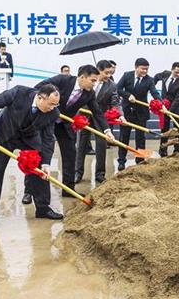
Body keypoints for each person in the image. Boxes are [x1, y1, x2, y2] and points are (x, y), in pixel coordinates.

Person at [21, 65, 115, 205]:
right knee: (37, 154)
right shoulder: (62, 80)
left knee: (70, 154)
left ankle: (68, 188)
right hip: (46, 121)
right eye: (92, 80)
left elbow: (97, 112)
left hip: (64, 125)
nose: (94, 84)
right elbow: (38, 89)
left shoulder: (89, 94)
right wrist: (47, 107)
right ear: (82, 77)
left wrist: (107, 130)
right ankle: (29, 191)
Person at [0, 84, 61, 232]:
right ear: (40, 98)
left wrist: (46, 163)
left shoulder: (53, 113)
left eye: (56, 105)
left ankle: (43, 208)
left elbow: (48, 138)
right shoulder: (19, 93)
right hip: (5, 133)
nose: (53, 108)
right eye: (51, 104)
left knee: (39, 169)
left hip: (28, 137)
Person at [75, 60, 121, 184]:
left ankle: (100, 174)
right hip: (84, 116)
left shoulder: (112, 85)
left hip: (100, 118)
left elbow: (115, 102)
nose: (108, 76)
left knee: (101, 145)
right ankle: (78, 173)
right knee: (81, 145)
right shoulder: (88, 82)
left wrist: (119, 114)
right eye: (106, 73)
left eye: (110, 73)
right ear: (98, 70)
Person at [116, 58, 161, 169]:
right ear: (136, 67)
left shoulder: (149, 80)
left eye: (146, 69)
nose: (145, 71)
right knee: (124, 137)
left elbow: (154, 92)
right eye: (142, 69)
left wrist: (161, 103)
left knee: (140, 138)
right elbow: (118, 89)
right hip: (127, 112)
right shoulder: (127, 75)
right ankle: (121, 161)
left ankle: (140, 161)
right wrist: (127, 95)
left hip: (141, 113)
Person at [154, 62, 179, 156]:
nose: (178, 74)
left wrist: (169, 111)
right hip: (164, 105)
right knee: (164, 129)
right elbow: (156, 77)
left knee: (178, 129)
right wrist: (152, 86)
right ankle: (163, 150)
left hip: (176, 108)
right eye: (176, 72)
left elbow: (178, 99)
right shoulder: (165, 74)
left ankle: (177, 150)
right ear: (172, 70)